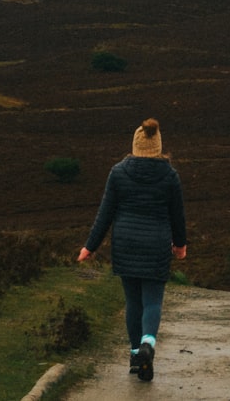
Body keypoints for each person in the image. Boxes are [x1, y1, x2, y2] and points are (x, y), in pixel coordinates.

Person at [77, 118, 187, 382]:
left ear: (135, 146)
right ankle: (148, 343)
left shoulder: (118, 172)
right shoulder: (170, 176)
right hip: (157, 244)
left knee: (133, 302)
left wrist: (89, 247)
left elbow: (105, 214)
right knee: (152, 301)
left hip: (125, 243)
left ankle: (136, 355)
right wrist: (180, 245)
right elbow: (178, 216)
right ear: (158, 147)